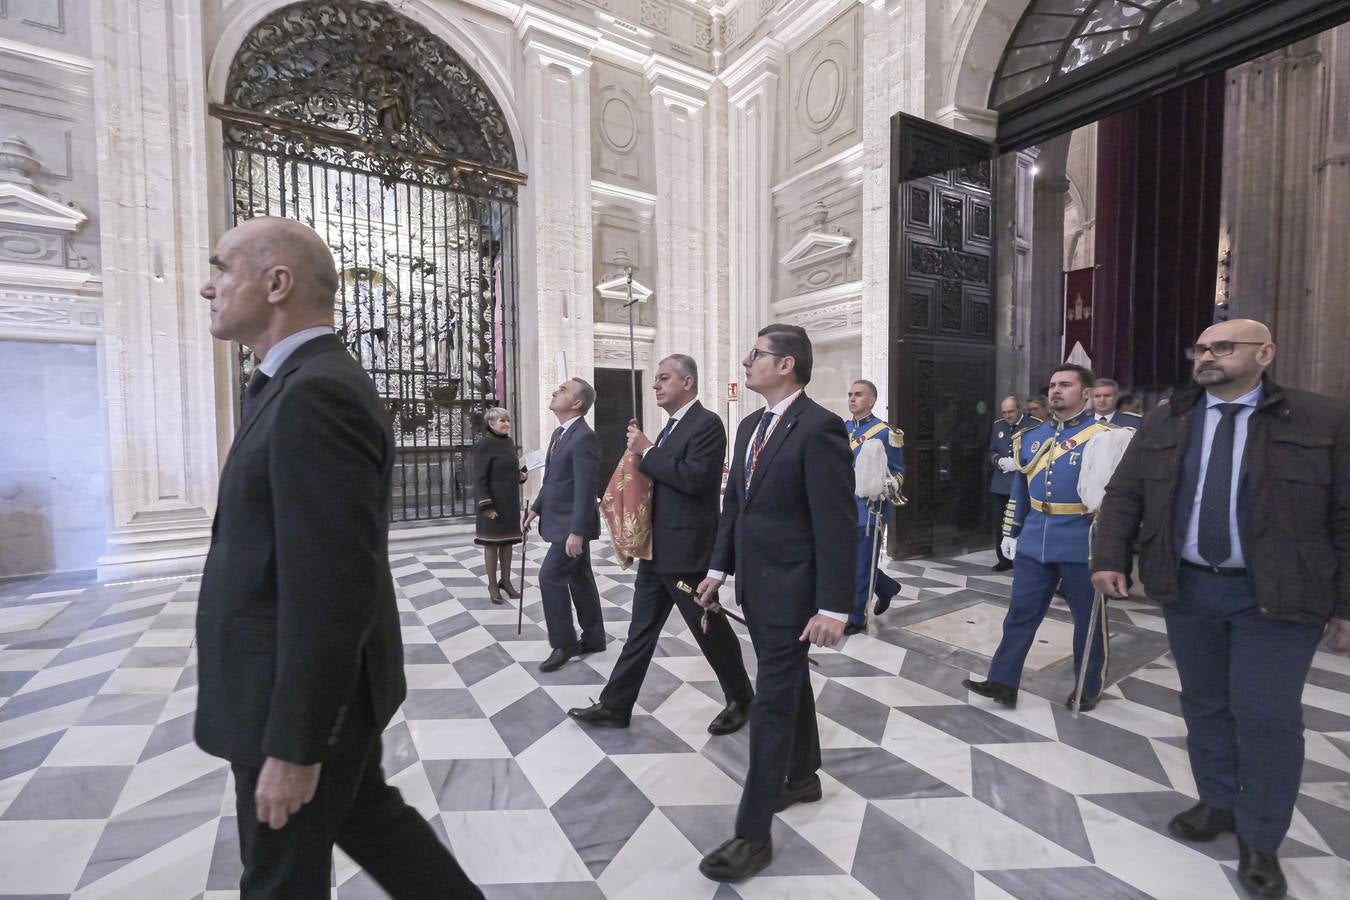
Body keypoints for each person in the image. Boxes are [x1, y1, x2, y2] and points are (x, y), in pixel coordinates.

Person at [195, 217, 481, 898]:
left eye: (222, 268)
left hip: (289, 704)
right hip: (296, 692)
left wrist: (296, 744)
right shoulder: (293, 382)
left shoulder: (315, 392)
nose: (209, 287)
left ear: (277, 284)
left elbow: (331, 586)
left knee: (281, 882)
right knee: (373, 825)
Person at [1091, 318, 1350, 899]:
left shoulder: (1322, 419)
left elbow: (1345, 515)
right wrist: (1109, 556)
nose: (1207, 356)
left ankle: (1261, 838)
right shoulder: (1167, 418)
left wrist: (1346, 605)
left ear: (1265, 353)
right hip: (1190, 588)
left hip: (1278, 593)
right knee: (1204, 704)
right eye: (1201, 348)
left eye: (1223, 347)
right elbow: (1125, 493)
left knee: (1265, 716)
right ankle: (1217, 802)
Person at [693, 324, 854, 882]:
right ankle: (803, 776)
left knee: (771, 703)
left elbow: (837, 523)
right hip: (756, 589)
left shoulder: (820, 428)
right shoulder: (749, 427)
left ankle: (752, 833)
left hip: (794, 591)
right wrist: (717, 570)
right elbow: (735, 505)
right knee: (787, 684)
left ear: (786, 364)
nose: (746, 361)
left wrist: (834, 607)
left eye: (756, 354)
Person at [568, 355, 754, 735]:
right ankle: (615, 706)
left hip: (687, 551)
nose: (655, 385)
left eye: (664, 378)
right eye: (655, 379)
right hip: (656, 551)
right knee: (640, 631)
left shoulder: (707, 424)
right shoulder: (670, 428)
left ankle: (741, 698)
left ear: (687, 382)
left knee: (709, 628)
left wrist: (648, 451)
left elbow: (694, 480)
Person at [962, 365, 1110, 712]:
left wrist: (1112, 546)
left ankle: (1088, 685)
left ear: (1086, 393)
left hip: (1081, 541)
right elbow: (1021, 487)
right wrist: (1012, 531)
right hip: (1034, 538)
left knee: (1088, 620)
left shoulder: (1104, 438)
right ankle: (1003, 681)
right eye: (1053, 385)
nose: (1056, 390)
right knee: (1020, 614)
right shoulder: (1031, 436)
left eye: (1066, 385)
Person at [522, 378, 606, 672]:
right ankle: (594, 637)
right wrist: (535, 509)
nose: (555, 391)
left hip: (571, 526)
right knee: (580, 578)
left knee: (550, 577)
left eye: (563, 390)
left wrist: (577, 532)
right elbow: (553, 481)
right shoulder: (560, 434)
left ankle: (564, 642)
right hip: (561, 520)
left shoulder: (584, 438)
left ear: (577, 403)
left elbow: (586, 488)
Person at [844, 379, 905, 630]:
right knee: (848, 562)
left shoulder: (886, 432)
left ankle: (857, 617)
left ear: (871, 400)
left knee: (861, 564)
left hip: (869, 511)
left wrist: (880, 487)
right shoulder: (844, 428)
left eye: (858, 394)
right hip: (842, 508)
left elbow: (898, 472)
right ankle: (886, 587)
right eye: (850, 394)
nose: (852, 398)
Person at [473, 406, 527, 604]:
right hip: (492, 502)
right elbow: (479, 478)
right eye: (502, 420)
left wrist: (520, 476)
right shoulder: (484, 444)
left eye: (508, 420)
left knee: (507, 541)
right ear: (491, 423)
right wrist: (486, 506)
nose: (507, 424)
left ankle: (505, 580)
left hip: (509, 501)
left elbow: (509, 470)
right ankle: (492, 585)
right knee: (492, 543)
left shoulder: (508, 443)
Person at [989, 395, 1041, 572]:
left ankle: (1023, 559)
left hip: (1023, 484)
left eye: (1010, 411)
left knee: (1022, 523)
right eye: (1004, 412)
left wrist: (1017, 463)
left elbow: (1039, 453)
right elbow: (991, 450)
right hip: (1001, 483)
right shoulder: (998, 426)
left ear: (1019, 409)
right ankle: (1004, 560)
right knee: (1000, 524)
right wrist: (998, 461)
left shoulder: (1034, 425)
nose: (1007, 415)